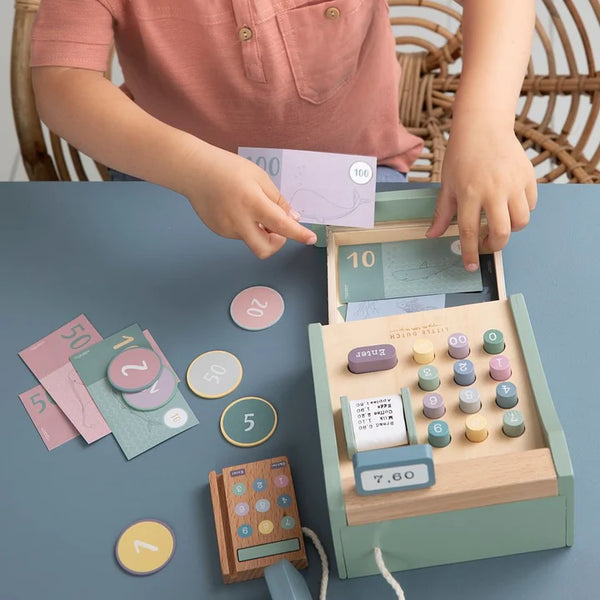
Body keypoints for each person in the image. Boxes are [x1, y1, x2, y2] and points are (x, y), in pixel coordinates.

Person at [31, 0, 537, 270]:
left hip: (357, 175)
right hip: (168, 181)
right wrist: (192, 168)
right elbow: (60, 82)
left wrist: (486, 123)